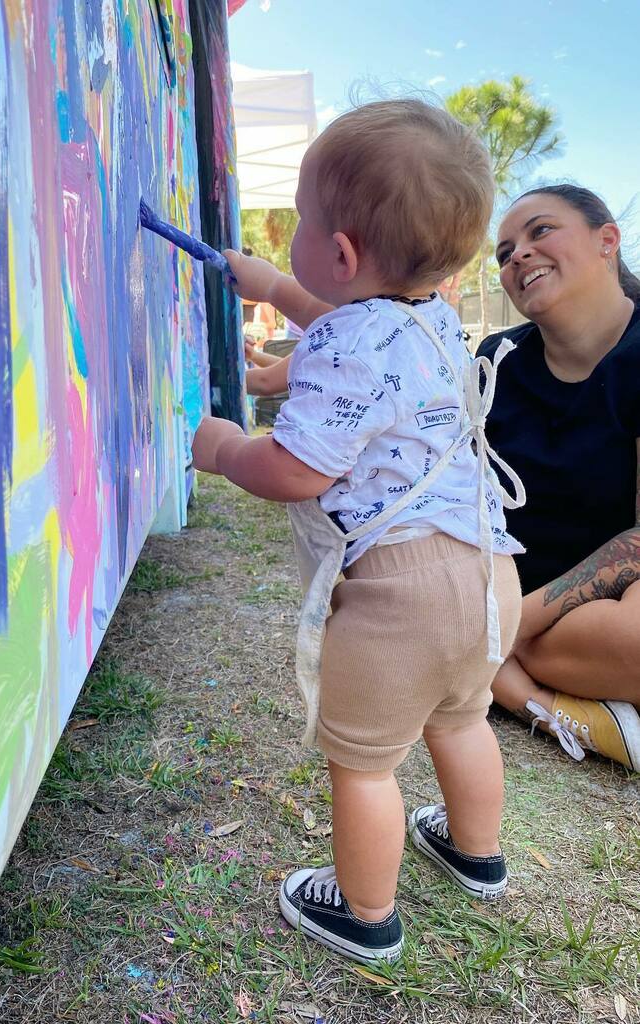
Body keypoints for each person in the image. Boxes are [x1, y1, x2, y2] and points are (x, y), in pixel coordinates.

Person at [192, 99, 524, 965]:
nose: (296, 237)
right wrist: (270, 286)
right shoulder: (432, 322)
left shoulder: (349, 342)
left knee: (366, 764)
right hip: (488, 577)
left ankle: (364, 910)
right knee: (461, 721)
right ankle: (474, 852)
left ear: (339, 252)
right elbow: (341, 315)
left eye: (303, 221)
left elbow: (299, 469)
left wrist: (227, 449)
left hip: (398, 595)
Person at [479, 185, 640, 771]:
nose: (517, 255)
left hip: (599, 602)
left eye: (539, 232)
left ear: (607, 240)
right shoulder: (494, 362)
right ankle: (554, 709)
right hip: (508, 590)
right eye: (503, 252)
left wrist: (506, 628)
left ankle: (499, 673)